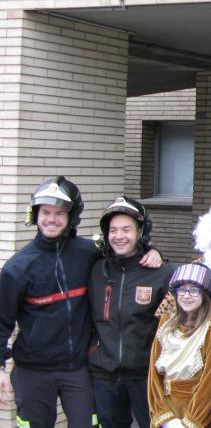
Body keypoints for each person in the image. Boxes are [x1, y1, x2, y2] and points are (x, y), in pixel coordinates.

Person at [0, 177, 161, 428]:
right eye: (45, 212)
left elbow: (124, 257)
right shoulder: (17, 268)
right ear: (35, 215)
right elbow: (2, 321)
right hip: (33, 370)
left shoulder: (88, 253)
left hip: (78, 369)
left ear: (72, 216)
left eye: (59, 213)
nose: (51, 219)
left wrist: (152, 250)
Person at [89, 196, 175, 428]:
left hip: (145, 376)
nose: (119, 236)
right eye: (113, 230)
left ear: (140, 232)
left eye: (126, 229)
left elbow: (172, 326)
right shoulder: (97, 269)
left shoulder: (161, 273)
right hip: (103, 375)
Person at [148, 264, 211, 428]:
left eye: (194, 290)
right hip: (168, 410)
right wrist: (165, 417)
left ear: (205, 294)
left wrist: (192, 421)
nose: (187, 295)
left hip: (198, 412)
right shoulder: (167, 320)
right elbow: (154, 375)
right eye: (182, 290)